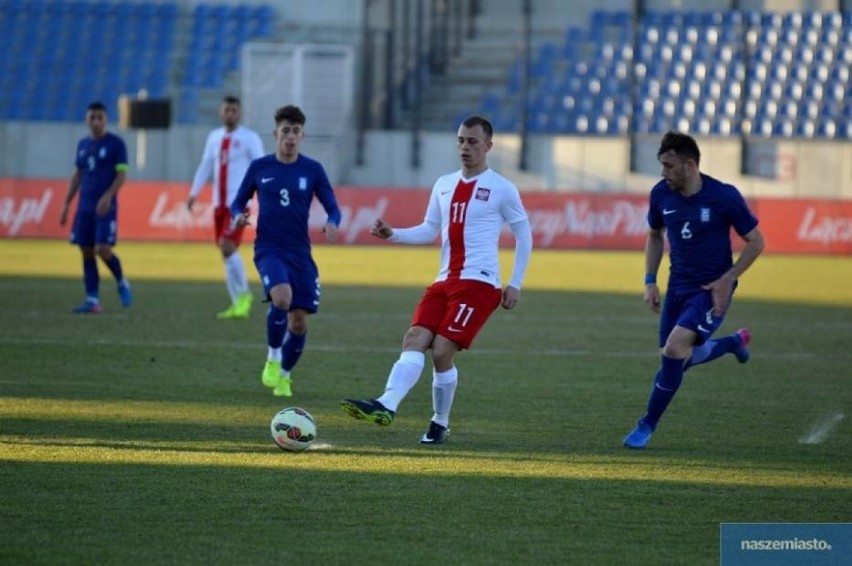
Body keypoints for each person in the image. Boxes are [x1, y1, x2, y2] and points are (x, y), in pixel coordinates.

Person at [340, 115, 533, 444]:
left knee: (442, 351)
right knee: (414, 337)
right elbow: (430, 229)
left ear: (488, 145)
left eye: (472, 141)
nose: (464, 147)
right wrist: (393, 234)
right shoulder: (444, 184)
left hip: (480, 283)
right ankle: (386, 404)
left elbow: (523, 234)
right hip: (444, 281)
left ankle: (439, 421)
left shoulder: (502, 188)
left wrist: (515, 282)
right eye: (460, 140)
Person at [623, 131, 765, 449]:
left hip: (711, 291)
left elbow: (756, 241)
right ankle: (732, 343)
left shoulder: (723, 196)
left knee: (674, 350)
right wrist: (649, 280)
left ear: (689, 165)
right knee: (678, 360)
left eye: (668, 165)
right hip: (678, 289)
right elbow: (655, 235)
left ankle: (646, 425)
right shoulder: (661, 194)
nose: (663, 173)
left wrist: (729, 278)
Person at [230, 105, 341, 397]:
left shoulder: (312, 169)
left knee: (299, 322)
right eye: (285, 131)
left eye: (295, 132)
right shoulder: (260, 168)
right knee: (282, 298)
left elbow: (332, 205)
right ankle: (273, 356)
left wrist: (332, 222)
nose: (290, 137)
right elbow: (237, 201)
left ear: (302, 136)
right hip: (269, 248)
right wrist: (238, 215)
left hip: (300, 252)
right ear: (275, 134)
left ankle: (285, 375)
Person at [187, 95, 265, 319]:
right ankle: (237, 302)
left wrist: (262, 195)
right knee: (225, 253)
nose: (230, 114)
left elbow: (260, 166)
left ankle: (245, 295)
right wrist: (194, 193)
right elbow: (205, 166)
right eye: (227, 110)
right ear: (221, 113)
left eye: (234, 110)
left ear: (239, 113)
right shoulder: (213, 137)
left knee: (226, 245)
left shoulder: (249, 138)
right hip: (218, 204)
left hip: (238, 204)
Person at [59, 101, 132, 314]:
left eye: (100, 117)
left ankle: (121, 281)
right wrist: (66, 203)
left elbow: (122, 175)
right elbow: (78, 175)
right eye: (92, 117)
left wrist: (108, 196)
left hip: (104, 207)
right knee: (86, 250)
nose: (96, 121)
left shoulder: (116, 144)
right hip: (85, 207)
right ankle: (93, 300)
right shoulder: (83, 145)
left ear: (106, 119)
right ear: (87, 119)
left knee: (103, 249)